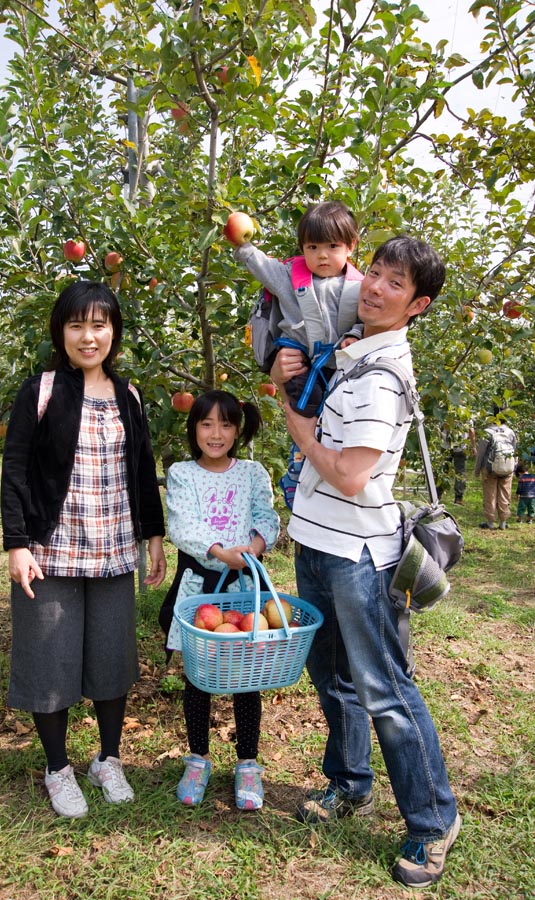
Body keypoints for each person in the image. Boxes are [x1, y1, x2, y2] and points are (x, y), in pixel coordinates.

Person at [271, 236, 461, 889]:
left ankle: (433, 822)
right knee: (332, 679)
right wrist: (284, 366)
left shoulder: (382, 375)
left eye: (393, 283)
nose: (374, 287)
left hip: (357, 554)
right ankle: (351, 783)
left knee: (384, 688)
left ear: (418, 304)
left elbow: (350, 474)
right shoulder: (349, 347)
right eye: (373, 272)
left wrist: (291, 422)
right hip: (317, 543)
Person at [0, 281, 166, 819]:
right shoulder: (42, 390)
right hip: (52, 551)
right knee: (49, 660)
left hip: (115, 548)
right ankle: (58, 768)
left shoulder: (129, 394)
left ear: (113, 332)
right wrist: (17, 543)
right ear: (61, 332)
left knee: (113, 660)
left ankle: (108, 759)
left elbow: (142, 471)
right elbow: (16, 470)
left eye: (99, 325)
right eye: (76, 325)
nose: (88, 336)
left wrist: (154, 536)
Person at [159, 390, 279, 810]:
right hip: (200, 590)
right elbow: (182, 525)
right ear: (193, 429)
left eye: (226, 425)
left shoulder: (251, 472)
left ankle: (248, 762)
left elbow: (267, 516)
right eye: (207, 424)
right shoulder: (182, 473)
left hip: (245, 592)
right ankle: (198, 758)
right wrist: (218, 551)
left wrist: (256, 546)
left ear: (237, 429)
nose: (216, 433)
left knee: (248, 680)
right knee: (198, 677)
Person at [228, 200, 364, 417]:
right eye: (313, 247)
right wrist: (243, 246)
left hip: (338, 365)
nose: (322, 255)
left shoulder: (359, 287)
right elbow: (263, 266)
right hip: (298, 361)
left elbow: (365, 320)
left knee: (344, 408)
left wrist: (354, 335)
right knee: (308, 405)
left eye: (332, 246)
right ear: (302, 248)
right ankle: (306, 444)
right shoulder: (290, 278)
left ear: (351, 246)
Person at [474, 419, 517, 530]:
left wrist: (477, 470)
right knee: (505, 494)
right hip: (507, 468)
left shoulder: (487, 432)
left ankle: (490, 522)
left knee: (490, 495)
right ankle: (503, 522)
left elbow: (481, 453)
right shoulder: (510, 432)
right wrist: (514, 467)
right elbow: (514, 450)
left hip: (489, 468)